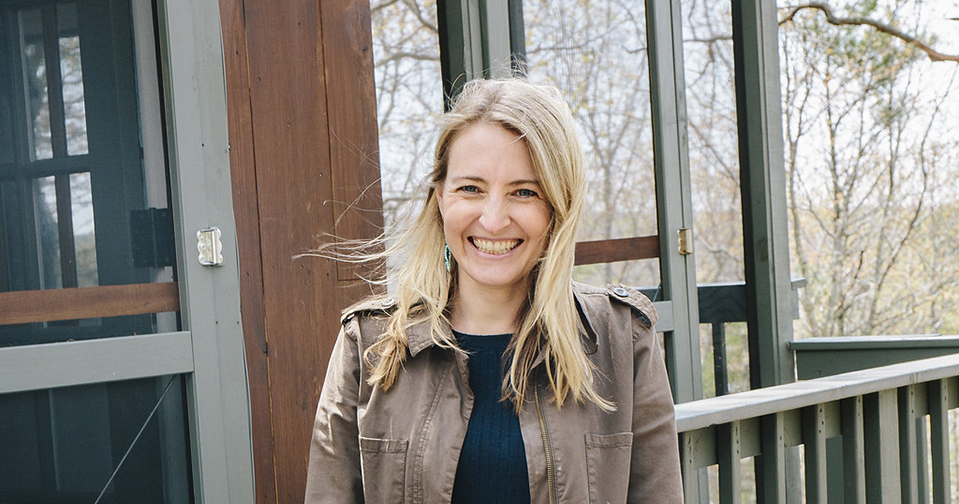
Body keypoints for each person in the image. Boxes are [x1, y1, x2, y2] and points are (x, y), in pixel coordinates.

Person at [304, 78, 684, 503]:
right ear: (440, 199)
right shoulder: (370, 343)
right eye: (471, 188)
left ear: (558, 207)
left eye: (524, 192)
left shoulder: (621, 339)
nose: (494, 219)